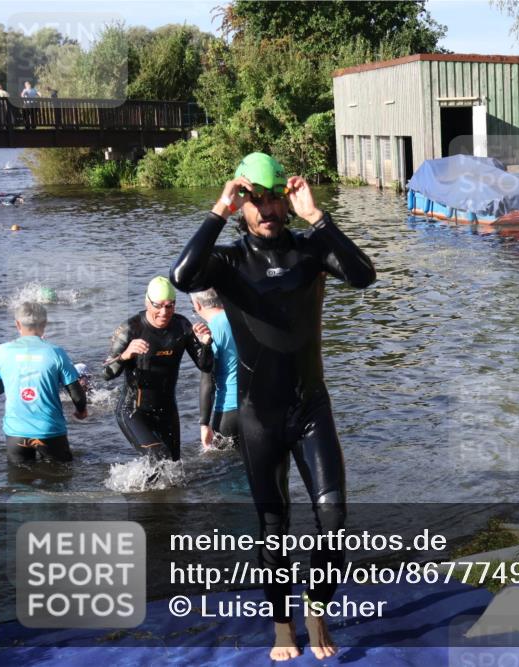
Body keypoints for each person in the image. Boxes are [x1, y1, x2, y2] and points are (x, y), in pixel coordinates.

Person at [171, 152, 375, 661]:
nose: (264, 209)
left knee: (334, 518)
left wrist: (319, 217)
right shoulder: (229, 262)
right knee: (273, 526)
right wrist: (218, 209)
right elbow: (182, 275)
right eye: (253, 200)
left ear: (285, 199)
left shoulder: (311, 250)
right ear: (243, 204)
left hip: (310, 407)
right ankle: (283, 626)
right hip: (258, 416)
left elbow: (364, 276)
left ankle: (316, 607)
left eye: (272, 199)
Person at [102, 276, 213, 461]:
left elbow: (206, 366)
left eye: (170, 306)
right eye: (158, 305)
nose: (164, 312)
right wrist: (125, 355)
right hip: (133, 411)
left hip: (167, 411)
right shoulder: (130, 328)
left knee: (174, 470)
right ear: (147, 302)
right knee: (158, 455)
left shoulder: (181, 326)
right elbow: (106, 373)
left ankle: (143, 488)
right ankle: (132, 489)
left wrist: (206, 344)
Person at [0, 302, 87, 464]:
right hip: (50, 431)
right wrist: (81, 411)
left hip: (16, 433)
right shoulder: (56, 352)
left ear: (17, 324)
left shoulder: (1, 351)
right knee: (61, 478)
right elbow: (76, 393)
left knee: (20, 483)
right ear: (45, 324)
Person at [190, 287, 239, 449]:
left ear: (197, 305)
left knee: (225, 469)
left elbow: (207, 380)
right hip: (257, 405)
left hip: (229, 409)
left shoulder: (213, 329)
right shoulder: (240, 317)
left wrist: (204, 423)